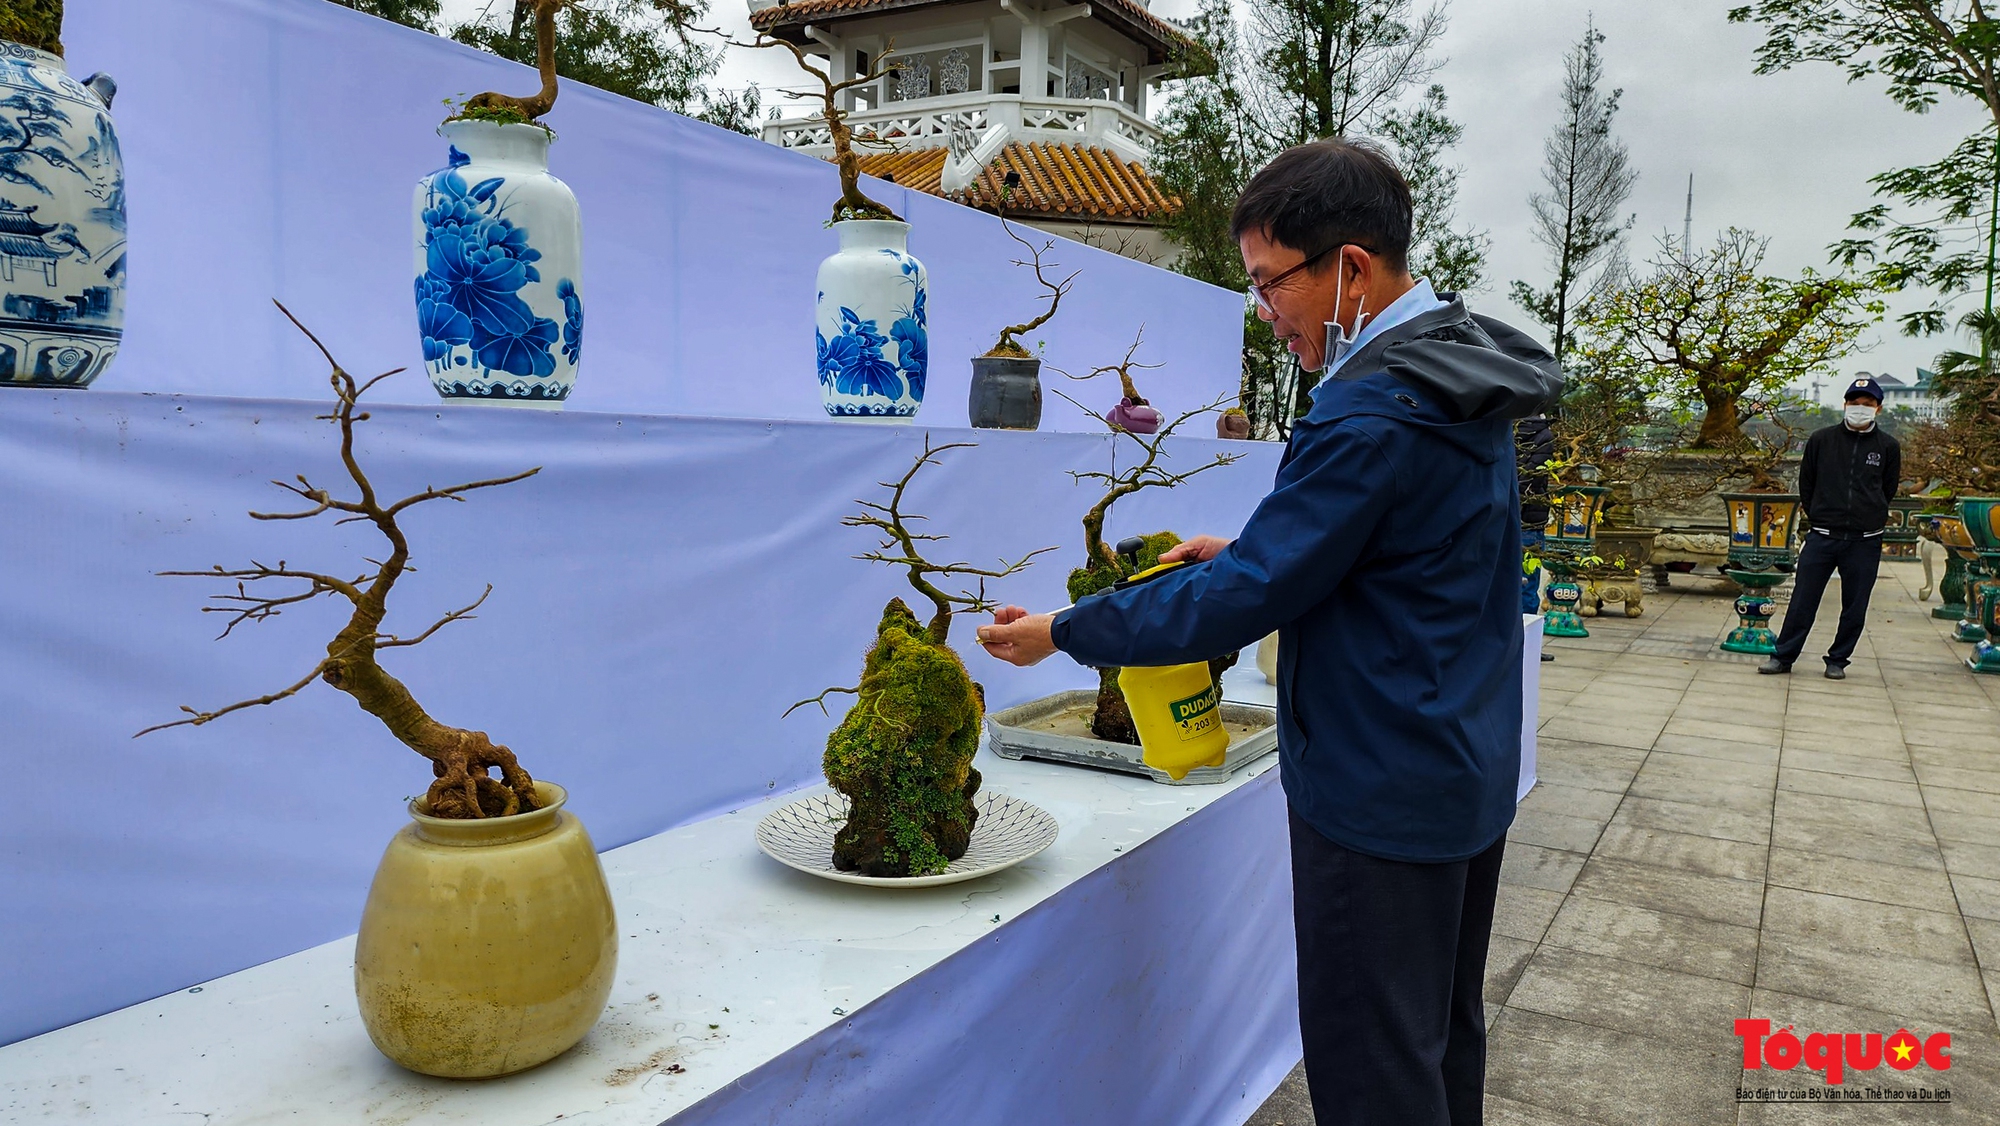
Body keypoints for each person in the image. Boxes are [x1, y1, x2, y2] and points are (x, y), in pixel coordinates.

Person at [975, 139, 1561, 1126]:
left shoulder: (1373, 405)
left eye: (1266, 282)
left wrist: (1066, 629)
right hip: (1455, 764)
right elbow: (1408, 550)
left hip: (1373, 786)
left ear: (1349, 268)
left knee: (1372, 1068)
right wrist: (1256, 548)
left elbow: (1233, 603)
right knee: (1435, 1039)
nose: (1261, 309)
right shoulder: (1458, 373)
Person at [1759, 376, 1902, 680]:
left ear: (1878, 408)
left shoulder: (1888, 446)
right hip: (1823, 537)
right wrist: (1821, 515)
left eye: (1867, 404)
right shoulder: (1821, 440)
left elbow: (1887, 489)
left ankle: (1838, 659)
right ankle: (1783, 656)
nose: (1859, 409)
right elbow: (1807, 483)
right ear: (1845, 404)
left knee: (1855, 606)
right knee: (1802, 600)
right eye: (1854, 403)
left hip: (1865, 541)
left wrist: (1868, 514)